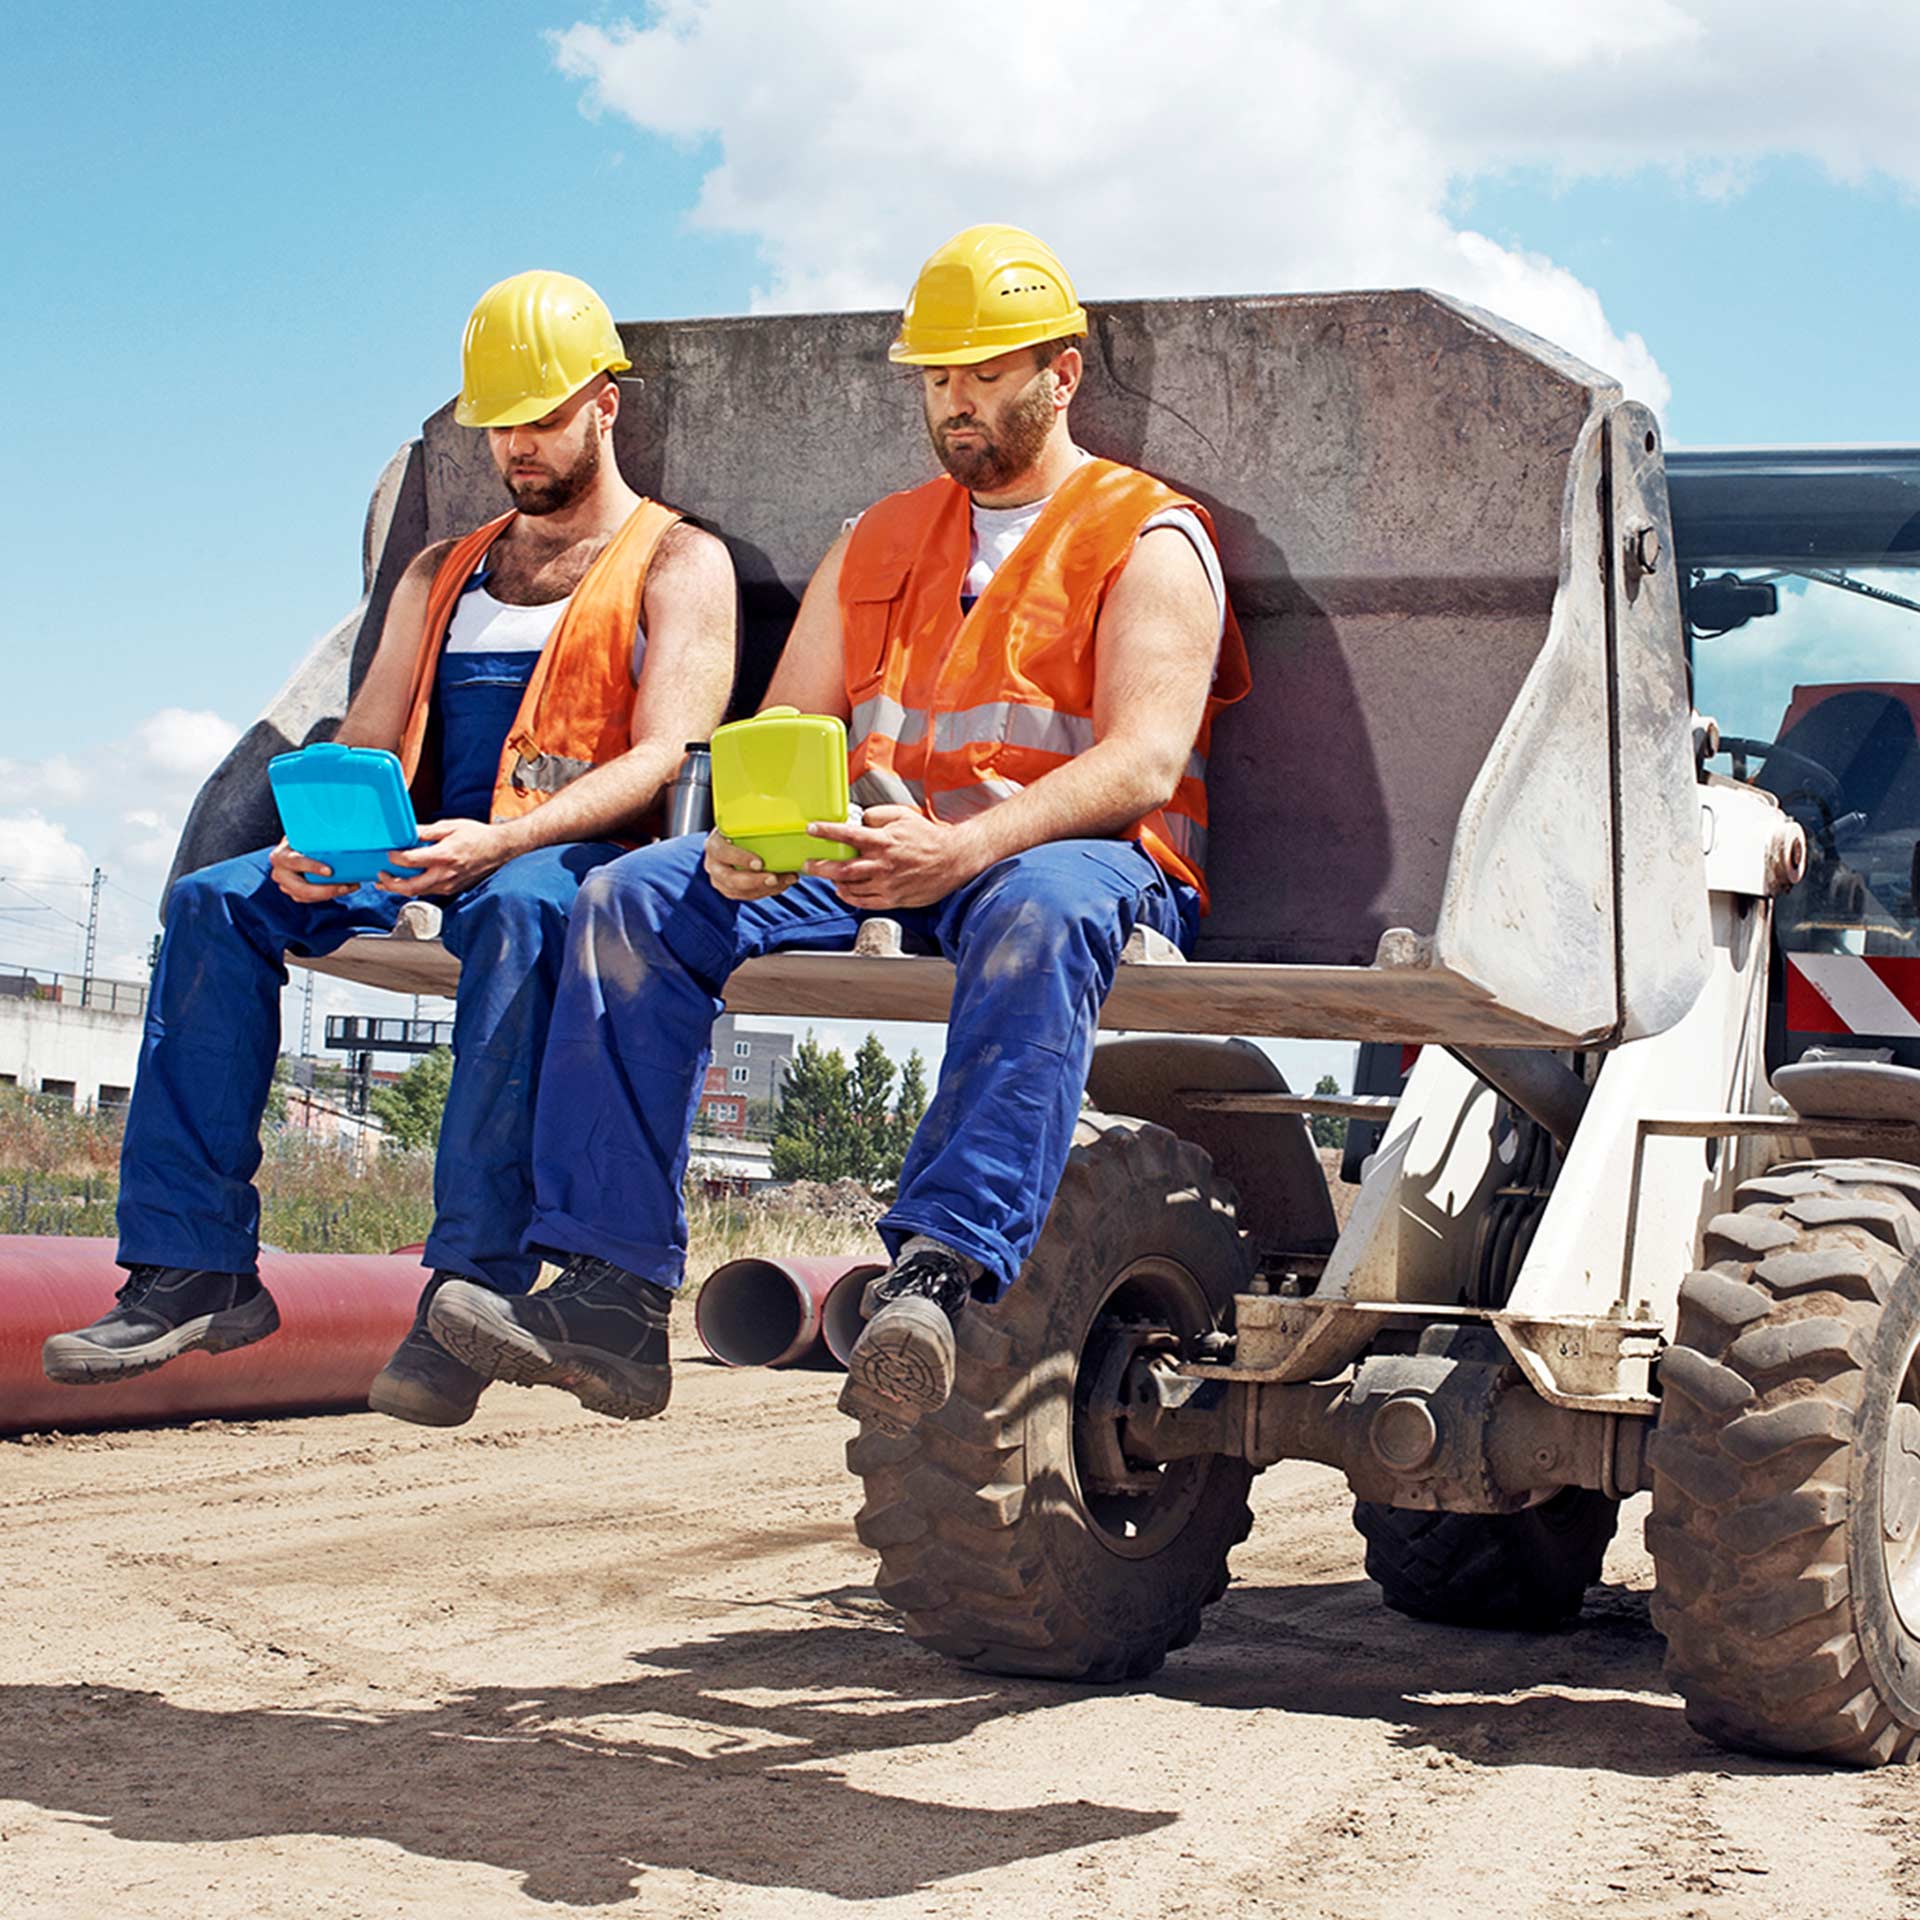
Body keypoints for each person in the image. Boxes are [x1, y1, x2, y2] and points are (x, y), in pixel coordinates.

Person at [426, 224, 1249, 1433]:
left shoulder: (1147, 535)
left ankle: (939, 1275)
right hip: (871, 852)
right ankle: (611, 1291)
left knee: (1043, 912)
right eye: (936, 379)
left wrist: (969, 847)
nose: (954, 404)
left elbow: (1143, 761)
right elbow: (789, 722)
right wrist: (749, 835)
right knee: (635, 897)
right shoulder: (882, 535)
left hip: (1067, 858)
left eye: (982, 376)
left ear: (1058, 376)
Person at [42, 270, 737, 1428]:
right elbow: (369, 738)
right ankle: (193, 1268)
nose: (518, 446)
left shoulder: (678, 562)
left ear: (604, 404)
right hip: (411, 849)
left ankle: (468, 1288)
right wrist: (311, 848)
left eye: (541, 418)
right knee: (218, 901)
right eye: (500, 424)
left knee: (524, 916)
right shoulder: (439, 572)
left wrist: (506, 838)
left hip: (555, 854)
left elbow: (669, 753)